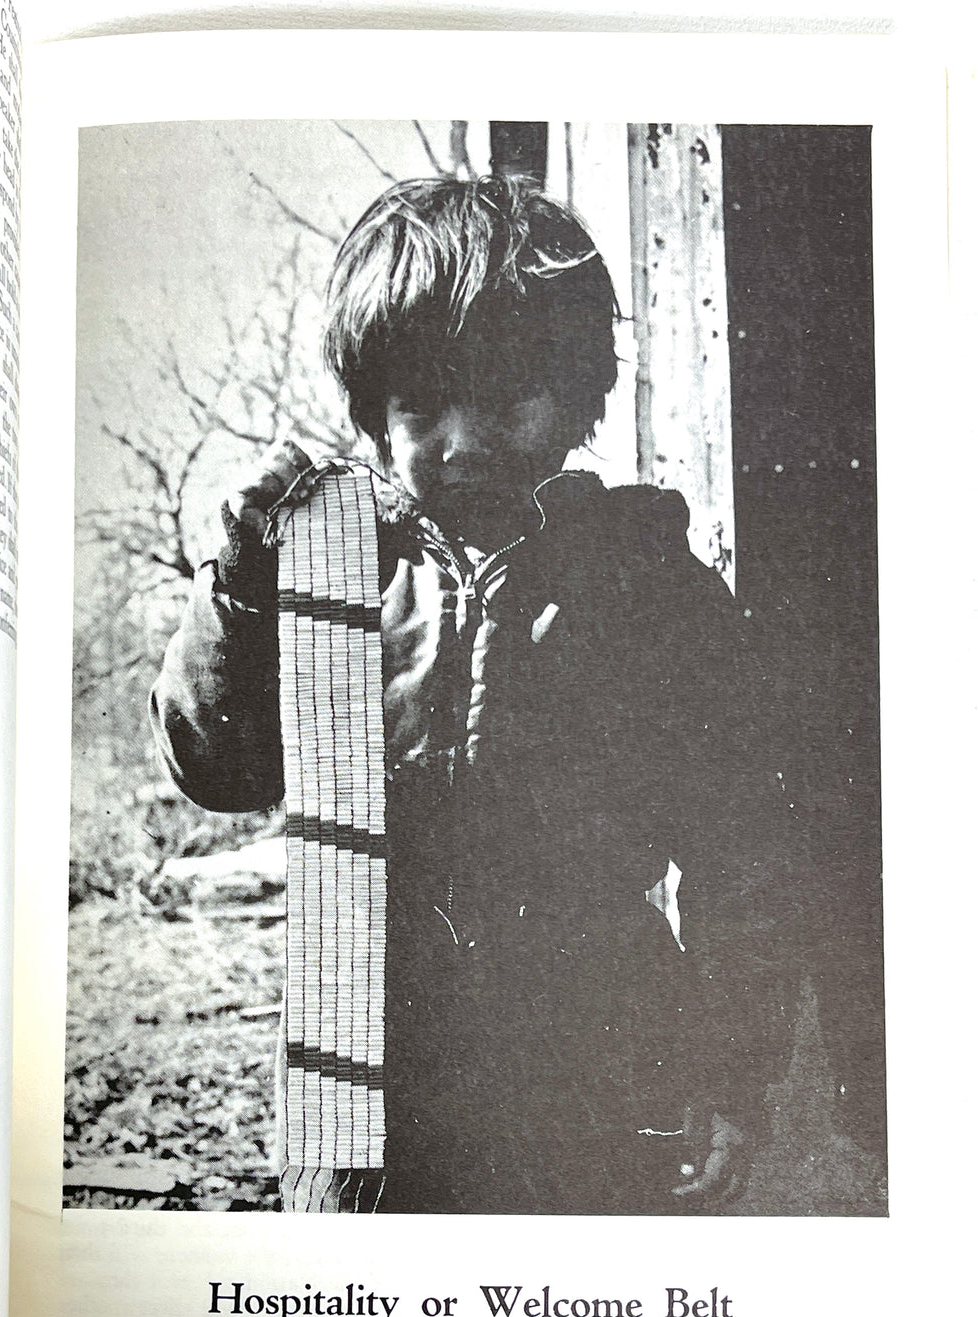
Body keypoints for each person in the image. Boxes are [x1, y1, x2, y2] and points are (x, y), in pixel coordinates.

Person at [150, 175, 796, 1215]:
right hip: (361, 1053)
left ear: (581, 389)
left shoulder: (647, 584)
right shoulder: (323, 573)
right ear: (369, 414)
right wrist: (237, 585)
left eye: (504, 394)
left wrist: (731, 1080)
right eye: (422, 402)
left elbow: (744, 846)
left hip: (600, 1055)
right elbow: (217, 769)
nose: (464, 439)